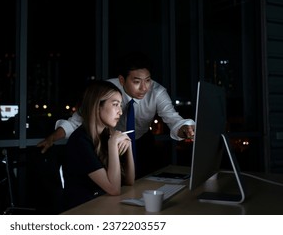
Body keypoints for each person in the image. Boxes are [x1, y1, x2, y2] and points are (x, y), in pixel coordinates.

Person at [38, 51, 195, 179]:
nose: (144, 88)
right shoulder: (106, 90)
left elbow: (173, 118)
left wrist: (184, 129)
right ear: (122, 80)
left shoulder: (157, 92)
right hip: (107, 144)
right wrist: (52, 138)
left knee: (146, 184)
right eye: (136, 81)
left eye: (147, 80)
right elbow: (76, 122)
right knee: (111, 191)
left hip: (141, 141)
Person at [61, 80, 135, 210]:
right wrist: (113, 145)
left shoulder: (105, 135)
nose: (120, 112)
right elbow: (114, 189)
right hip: (82, 211)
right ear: (97, 106)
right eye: (115, 105)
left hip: (102, 205)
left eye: (120, 105)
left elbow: (129, 181)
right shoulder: (80, 141)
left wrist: (128, 145)